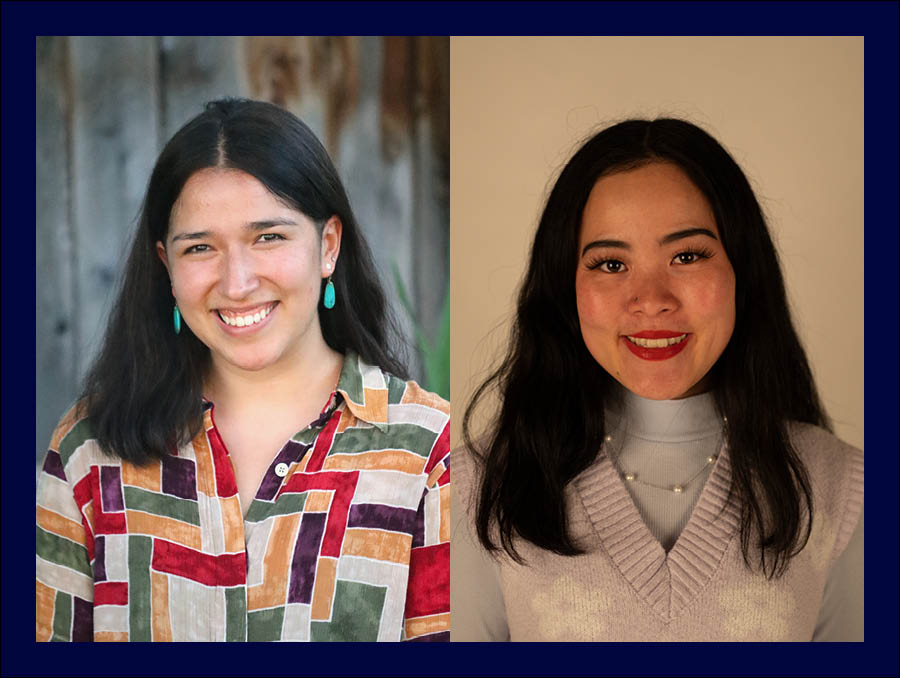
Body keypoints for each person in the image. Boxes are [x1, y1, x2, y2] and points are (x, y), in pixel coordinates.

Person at [36, 98, 450, 642]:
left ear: (327, 246)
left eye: (268, 237)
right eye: (200, 247)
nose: (236, 283)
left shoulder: (429, 454)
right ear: (167, 266)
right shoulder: (89, 450)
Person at [451, 118, 863, 641]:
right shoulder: (474, 492)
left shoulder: (842, 489)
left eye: (687, 256)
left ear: (742, 269)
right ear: (565, 288)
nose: (650, 298)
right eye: (609, 264)